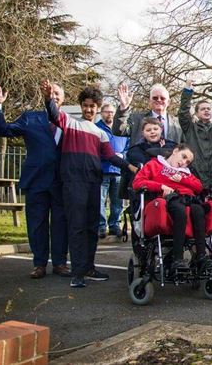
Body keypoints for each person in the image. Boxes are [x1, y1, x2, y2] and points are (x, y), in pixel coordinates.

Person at [41, 81, 137, 288]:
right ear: (81, 106)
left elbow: (111, 156)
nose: (89, 109)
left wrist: (131, 168)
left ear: (98, 108)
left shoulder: (101, 132)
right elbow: (53, 113)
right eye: (85, 105)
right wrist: (48, 98)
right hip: (73, 182)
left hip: (94, 181)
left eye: (93, 106)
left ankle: (89, 267)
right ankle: (77, 273)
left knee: (92, 227)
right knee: (76, 226)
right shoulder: (69, 122)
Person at [0, 84, 70, 279]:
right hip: (36, 181)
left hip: (61, 182)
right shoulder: (30, 118)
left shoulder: (69, 121)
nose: (53, 96)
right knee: (36, 224)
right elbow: (2, 130)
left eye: (57, 94)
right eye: (51, 93)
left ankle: (60, 263)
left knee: (60, 224)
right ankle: (39, 264)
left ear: (63, 99)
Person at [132, 144, 211, 275]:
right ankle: (177, 258)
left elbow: (198, 187)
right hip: (169, 199)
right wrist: (161, 186)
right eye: (183, 156)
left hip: (188, 199)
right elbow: (137, 183)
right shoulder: (154, 164)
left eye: (188, 162)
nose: (184, 162)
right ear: (175, 151)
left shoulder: (186, 173)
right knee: (179, 210)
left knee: (198, 210)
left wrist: (183, 180)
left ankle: (201, 257)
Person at [178, 79, 212, 189]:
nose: (206, 110)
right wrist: (188, 90)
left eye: (208, 109)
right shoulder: (190, 128)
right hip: (195, 179)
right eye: (203, 109)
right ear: (196, 113)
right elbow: (183, 112)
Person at [96, 103, 128, 238]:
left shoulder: (121, 129)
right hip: (102, 169)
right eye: (106, 111)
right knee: (100, 200)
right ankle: (101, 226)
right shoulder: (96, 128)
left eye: (112, 112)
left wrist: (123, 156)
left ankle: (115, 225)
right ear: (101, 113)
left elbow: (128, 146)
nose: (109, 114)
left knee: (117, 201)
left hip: (118, 170)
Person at [113, 83, 183, 145]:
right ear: (149, 101)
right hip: (142, 159)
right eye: (155, 98)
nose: (159, 100)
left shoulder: (178, 123)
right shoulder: (136, 119)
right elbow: (119, 131)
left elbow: (184, 145)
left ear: (168, 102)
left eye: (162, 98)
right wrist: (123, 107)